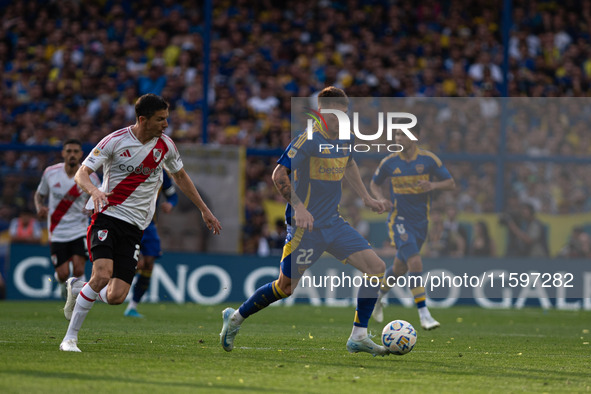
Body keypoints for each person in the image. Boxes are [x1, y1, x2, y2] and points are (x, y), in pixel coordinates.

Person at [220, 86, 390, 357]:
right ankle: (236, 317)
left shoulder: (346, 137)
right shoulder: (308, 139)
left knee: (376, 267)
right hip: (305, 229)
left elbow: (349, 164)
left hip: (333, 223)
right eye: (335, 115)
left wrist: (367, 197)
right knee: (285, 287)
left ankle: (358, 335)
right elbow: (279, 175)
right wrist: (298, 207)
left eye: (344, 114)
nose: (340, 120)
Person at [59, 94, 222, 352]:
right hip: (107, 216)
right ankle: (69, 339)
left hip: (136, 227)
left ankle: (79, 288)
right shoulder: (115, 141)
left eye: (166, 118)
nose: (166, 124)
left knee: (116, 297)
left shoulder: (166, 147)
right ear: (143, 119)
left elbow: (180, 176)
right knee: (101, 274)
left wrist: (204, 210)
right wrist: (94, 191)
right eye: (161, 119)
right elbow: (82, 173)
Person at [369, 124, 455, 330]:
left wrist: (433, 185)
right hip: (399, 220)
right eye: (396, 134)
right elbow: (374, 184)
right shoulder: (389, 162)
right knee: (415, 263)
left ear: (415, 136)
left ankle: (377, 297)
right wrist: (381, 199)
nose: (398, 138)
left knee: (400, 268)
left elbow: (450, 183)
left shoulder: (429, 160)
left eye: (403, 134)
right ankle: (424, 315)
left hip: (421, 223)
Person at [34, 139, 100, 294]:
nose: (72, 154)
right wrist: (39, 208)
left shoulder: (91, 178)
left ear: (81, 155)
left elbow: (98, 200)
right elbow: (39, 194)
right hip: (57, 231)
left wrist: (92, 209)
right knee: (63, 274)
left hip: (80, 229)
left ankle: (75, 297)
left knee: (78, 269)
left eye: (75, 151)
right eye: (69, 151)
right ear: (63, 153)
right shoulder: (50, 172)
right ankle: (64, 287)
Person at [124, 170, 178, 318]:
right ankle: (107, 286)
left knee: (148, 264)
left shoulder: (162, 173)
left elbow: (172, 195)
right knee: (136, 263)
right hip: (128, 221)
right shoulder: (132, 165)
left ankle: (132, 306)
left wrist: (170, 204)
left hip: (149, 225)